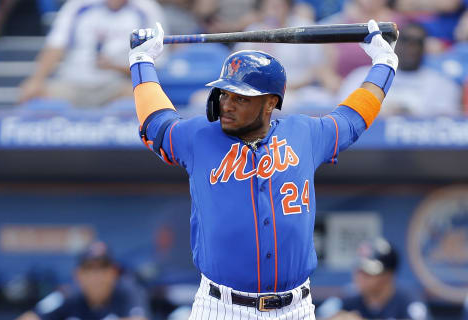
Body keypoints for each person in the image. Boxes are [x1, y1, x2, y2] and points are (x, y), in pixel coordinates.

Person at [128, 19, 398, 319]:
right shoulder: (199, 137)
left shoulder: (305, 133)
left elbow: (352, 119)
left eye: (240, 98)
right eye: (225, 94)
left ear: (270, 103)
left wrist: (384, 63)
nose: (227, 105)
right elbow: (155, 124)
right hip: (221, 306)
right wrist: (142, 62)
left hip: (295, 308)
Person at [18, 0, 166, 107]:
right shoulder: (79, 5)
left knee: (144, 99)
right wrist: (36, 80)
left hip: (116, 85)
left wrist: (114, 67)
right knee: (34, 94)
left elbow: (154, 64)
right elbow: (55, 46)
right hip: (74, 82)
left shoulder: (146, 8)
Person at [338, 22, 462, 117]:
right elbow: (344, 116)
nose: (411, 48)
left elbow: (446, 125)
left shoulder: (442, 84)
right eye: (406, 41)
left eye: (417, 43)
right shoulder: (362, 76)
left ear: (425, 48)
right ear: (394, 43)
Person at [16, 241, 149, 320]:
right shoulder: (69, 295)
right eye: (90, 269)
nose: (97, 276)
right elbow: (30, 317)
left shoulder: (128, 291)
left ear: (113, 272)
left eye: (103, 268)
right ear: (78, 274)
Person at [316, 238, 429, 320]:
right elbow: (319, 315)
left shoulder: (409, 302)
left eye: (368, 272)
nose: (360, 276)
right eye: (358, 269)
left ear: (388, 275)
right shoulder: (347, 296)